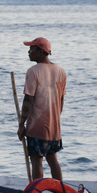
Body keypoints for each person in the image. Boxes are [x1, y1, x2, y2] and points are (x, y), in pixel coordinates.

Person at [17, 37, 66, 182]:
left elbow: (28, 100)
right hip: (54, 128)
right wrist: (54, 119)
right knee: (53, 160)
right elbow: (61, 101)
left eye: (31, 49)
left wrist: (22, 124)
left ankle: (36, 192)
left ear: (40, 51)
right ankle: (60, 190)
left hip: (37, 127)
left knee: (36, 160)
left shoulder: (33, 71)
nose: (28, 52)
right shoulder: (60, 71)